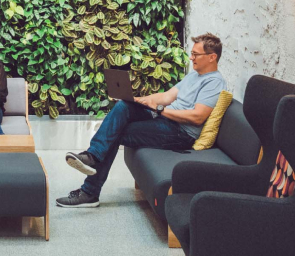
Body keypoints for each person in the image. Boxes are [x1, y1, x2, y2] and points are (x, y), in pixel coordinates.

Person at [56, 33, 227, 208]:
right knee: (123, 106)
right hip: (166, 119)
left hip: (180, 133)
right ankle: (92, 157)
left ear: (212, 57)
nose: (191, 58)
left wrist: (160, 109)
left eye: (196, 54)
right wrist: (140, 100)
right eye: (192, 53)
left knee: (116, 131)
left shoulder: (214, 83)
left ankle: (89, 190)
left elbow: (197, 117)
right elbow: (167, 96)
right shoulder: (194, 75)